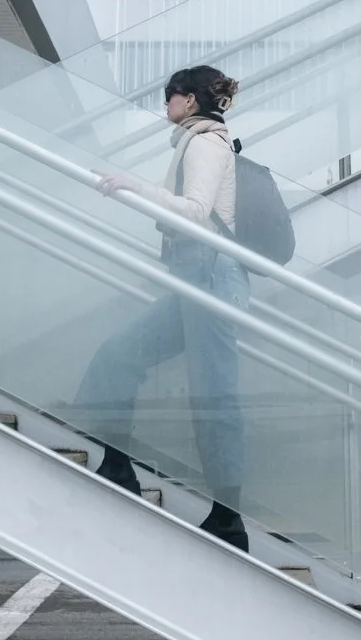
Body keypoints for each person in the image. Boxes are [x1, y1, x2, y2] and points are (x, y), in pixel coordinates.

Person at [76, 65, 249, 551]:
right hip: (194, 275)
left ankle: (229, 518)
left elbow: (195, 211)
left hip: (210, 275)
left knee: (213, 393)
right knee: (119, 354)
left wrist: (133, 188)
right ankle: (117, 467)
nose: (165, 104)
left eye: (170, 95)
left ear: (189, 100)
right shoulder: (195, 140)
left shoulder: (206, 142)